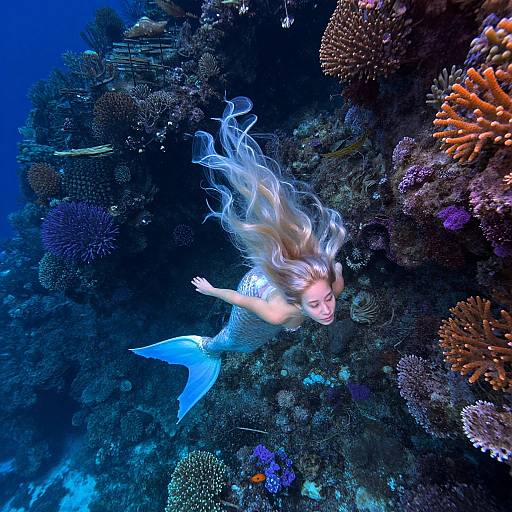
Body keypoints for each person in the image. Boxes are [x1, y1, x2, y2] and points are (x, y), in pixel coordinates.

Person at [130, 97, 346, 423]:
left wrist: (329, 272)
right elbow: (239, 299)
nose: (327, 308)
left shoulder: (330, 286)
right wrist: (211, 290)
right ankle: (204, 349)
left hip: (278, 275)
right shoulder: (277, 312)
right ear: (297, 301)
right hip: (254, 294)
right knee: (234, 343)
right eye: (316, 305)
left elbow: (336, 271)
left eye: (326, 299)